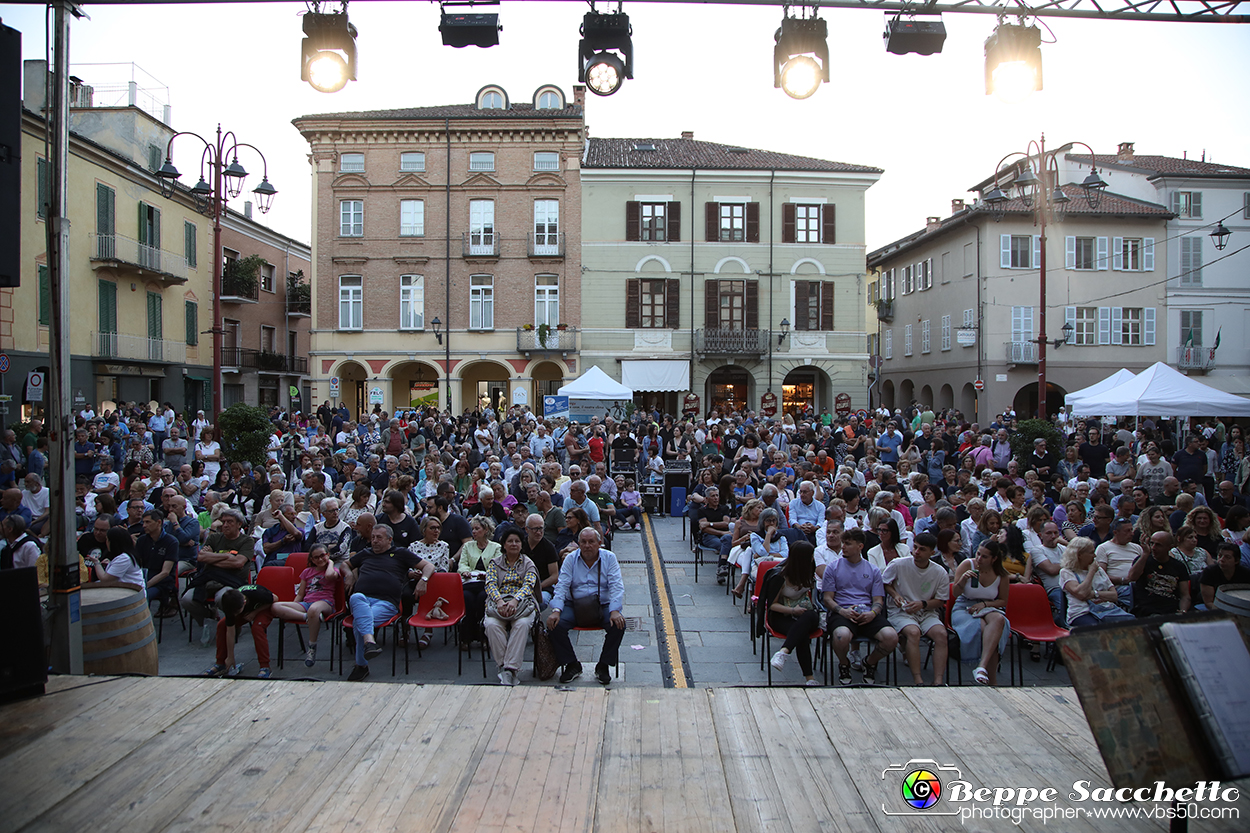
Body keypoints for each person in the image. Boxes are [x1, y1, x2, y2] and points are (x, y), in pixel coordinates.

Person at [346, 524, 434, 681]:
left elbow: (428, 566)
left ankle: (362, 665)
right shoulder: (365, 553)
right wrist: (349, 575)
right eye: (373, 537)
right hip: (363, 600)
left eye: (379, 537)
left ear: (389, 539)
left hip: (386, 603)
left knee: (361, 621)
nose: (374, 541)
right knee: (355, 597)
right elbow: (347, 564)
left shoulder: (400, 553)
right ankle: (369, 642)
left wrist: (424, 580)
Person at [545, 527, 626, 685]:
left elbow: (617, 585)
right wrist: (556, 610)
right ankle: (571, 663)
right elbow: (561, 586)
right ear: (578, 543)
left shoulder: (609, 558)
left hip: (602, 604)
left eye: (591, 542)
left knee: (618, 625)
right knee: (555, 625)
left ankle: (603, 665)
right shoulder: (570, 559)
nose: (587, 545)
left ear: (599, 543)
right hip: (574, 604)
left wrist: (615, 610)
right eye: (584, 542)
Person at [821, 527, 898, 685]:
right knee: (841, 636)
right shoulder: (832, 568)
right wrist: (842, 611)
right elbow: (827, 599)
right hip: (842, 611)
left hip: (866, 612)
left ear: (860, 546)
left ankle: (869, 662)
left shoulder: (873, 570)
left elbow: (878, 600)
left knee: (891, 637)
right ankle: (844, 663)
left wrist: (873, 613)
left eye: (848, 544)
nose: (843, 547)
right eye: (843, 543)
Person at [882, 532, 949, 686]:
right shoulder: (898, 564)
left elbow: (940, 600)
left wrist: (923, 604)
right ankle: (918, 679)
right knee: (913, 632)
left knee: (941, 634)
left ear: (932, 553)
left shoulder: (940, 572)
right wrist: (896, 595)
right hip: (901, 612)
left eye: (922, 549)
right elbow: (885, 583)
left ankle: (938, 681)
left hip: (926, 612)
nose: (916, 552)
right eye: (916, 547)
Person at [202, 584, 308, 679]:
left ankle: (265, 667)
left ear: (244, 603)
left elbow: (275, 599)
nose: (234, 615)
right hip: (247, 610)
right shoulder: (230, 603)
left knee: (257, 628)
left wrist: (254, 612)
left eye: (236, 613)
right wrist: (230, 656)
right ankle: (221, 663)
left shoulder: (258, 594)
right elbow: (230, 632)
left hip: (265, 607)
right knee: (222, 625)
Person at [180, 509, 253, 645]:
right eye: (223, 522)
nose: (225, 525)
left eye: (229, 522)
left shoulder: (246, 541)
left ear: (239, 524)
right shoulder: (214, 537)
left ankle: (233, 625)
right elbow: (201, 557)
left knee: (223, 598)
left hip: (232, 581)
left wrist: (212, 558)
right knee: (186, 600)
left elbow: (238, 563)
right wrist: (226, 556)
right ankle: (210, 618)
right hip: (208, 579)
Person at [950, 539, 1011, 685]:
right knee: (987, 630)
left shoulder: (1001, 574)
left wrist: (985, 604)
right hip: (964, 606)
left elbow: (1003, 601)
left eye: (984, 557)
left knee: (999, 621)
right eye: (978, 554)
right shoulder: (967, 564)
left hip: (988, 606)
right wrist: (963, 580)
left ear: (994, 559)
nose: (979, 559)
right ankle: (991, 680)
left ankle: (982, 667)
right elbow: (954, 593)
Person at [484, 527, 539, 686]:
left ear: (522, 544)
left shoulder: (528, 563)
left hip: (522, 605)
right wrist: (500, 601)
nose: (514, 544)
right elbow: (490, 584)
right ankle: (504, 667)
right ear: (504, 544)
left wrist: (515, 601)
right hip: (499, 604)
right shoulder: (495, 563)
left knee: (521, 625)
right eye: (510, 541)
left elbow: (529, 585)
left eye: (517, 541)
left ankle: (510, 667)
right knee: (491, 625)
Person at [765, 540, 822, 685]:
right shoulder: (779, 576)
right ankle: (810, 678)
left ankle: (784, 651)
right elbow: (772, 605)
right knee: (801, 633)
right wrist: (792, 610)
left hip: (805, 613)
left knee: (809, 617)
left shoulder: (810, 569)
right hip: (782, 614)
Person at [1060, 536, 1136, 628]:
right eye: (1092, 552)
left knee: (1132, 624)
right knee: (1099, 630)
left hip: (1105, 610)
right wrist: (1091, 572)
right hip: (1082, 613)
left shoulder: (1099, 570)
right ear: (1079, 555)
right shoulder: (1067, 572)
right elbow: (1082, 594)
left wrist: (1093, 594)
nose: (1095, 556)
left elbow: (1114, 596)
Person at [458, 516, 500, 649]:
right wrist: (465, 571)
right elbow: (462, 563)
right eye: (473, 529)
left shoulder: (496, 547)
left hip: (487, 583)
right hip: (470, 582)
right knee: (467, 598)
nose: (474, 532)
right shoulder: (467, 546)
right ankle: (466, 636)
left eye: (477, 528)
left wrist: (487, 575)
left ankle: (484, 637)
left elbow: (497, 566)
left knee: (483, 598)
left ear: (486, 529)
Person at [296, 544, 340, 666]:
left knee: (314, 609)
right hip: (307, 603)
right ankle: (307, 617)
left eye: (323, 556)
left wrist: (330, 563)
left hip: (325, 603)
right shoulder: (306, 572)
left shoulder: (333, 570)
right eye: (316, 557)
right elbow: (300, 594)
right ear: (311, 559)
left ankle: (312, 647)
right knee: (276, 607)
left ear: (328, 555)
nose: (320, 559)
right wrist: (294, 606)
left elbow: (329, 576)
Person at [1128, 531, 1191, 616]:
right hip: (1147, 609)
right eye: (1152, 543)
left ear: (1169, 547)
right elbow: (1132, 577)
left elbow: (1185, 596)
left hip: (1171, 609)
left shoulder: (1179, 566)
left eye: (1158, 545)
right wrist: (1145, 554)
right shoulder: (1142, 560)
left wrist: (1183, 611)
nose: (1153, 547)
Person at [134, 508, 179, 608]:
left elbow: (165, 572)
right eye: (143, 522)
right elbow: (136, 563)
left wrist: (146, 585)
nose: (144, 525)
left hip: (161, 582)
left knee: (142, 597)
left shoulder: (171, 542)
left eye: (148, 522)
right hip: (144, 577)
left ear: (158, 522)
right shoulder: (142, 540)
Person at [1095, 518, 1141, 609]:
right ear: (1116, 532)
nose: (1131, 534)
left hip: (1138, 584)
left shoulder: (1137, 548)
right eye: (1127, 531)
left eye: (1132, 530)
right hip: (1118, 587)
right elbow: (1101, 575)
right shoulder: (1104, 548)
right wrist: (1123, 580)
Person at [522, 513, 560, 606]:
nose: (538, 532)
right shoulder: (520, 544)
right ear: (527, 529)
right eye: (535, 529)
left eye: (541, 529)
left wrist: (537, 587)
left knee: (539, 602)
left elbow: (554, 576)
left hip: (543, 585)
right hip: (522, 582)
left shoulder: (549, 547)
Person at [1200, 543, 1250, 609]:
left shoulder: (1245, 573)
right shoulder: (1209, 572)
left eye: (1227, 557)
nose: (1222, 560)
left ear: (1237, 561)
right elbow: (1209, 602)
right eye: (1220, 556)